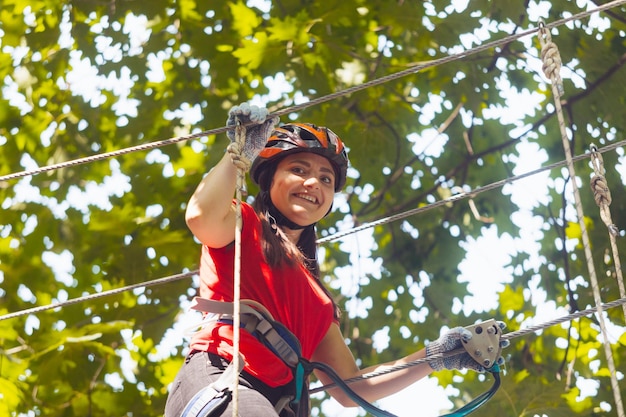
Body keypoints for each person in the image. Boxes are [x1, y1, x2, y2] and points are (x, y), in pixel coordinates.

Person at [164, 103, 507, 417]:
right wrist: (240, 152)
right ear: (270, 180)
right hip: (225, 379)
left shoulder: (319, 301)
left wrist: (437, 356)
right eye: (298, 169)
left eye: (325, 179)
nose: (312, 182)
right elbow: (200, 217)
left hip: (274, 404)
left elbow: (353, 389)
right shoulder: (244, 223)